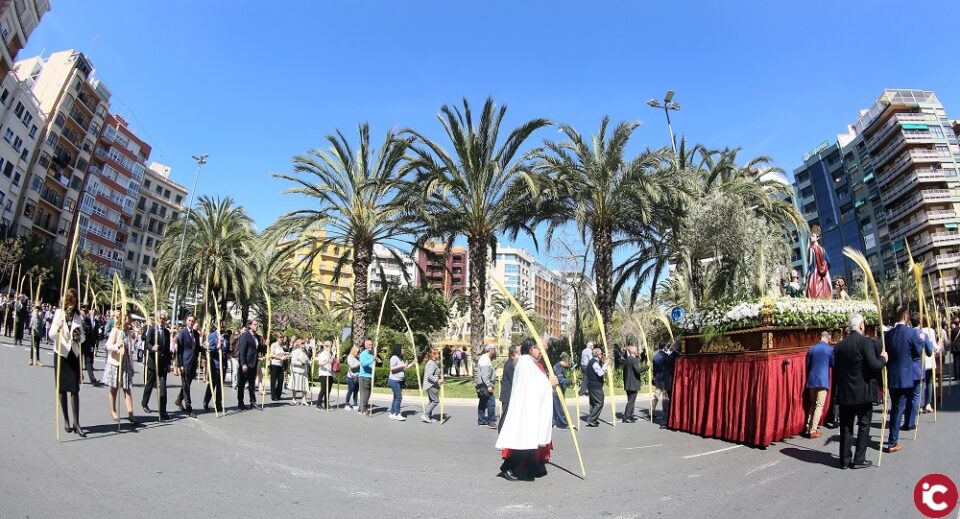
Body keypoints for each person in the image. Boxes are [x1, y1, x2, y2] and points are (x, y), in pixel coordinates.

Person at [495, 338, 560, 482]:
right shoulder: (526, 363)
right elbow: (533, 386)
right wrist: (549, 383)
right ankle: (507, 468)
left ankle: (532, 469)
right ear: (532, 349)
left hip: (530, 409)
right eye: (540, 349)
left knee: (530, 443)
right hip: (526, 410)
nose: (542, 353)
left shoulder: (529, 363)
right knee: (526, 442)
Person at [834, 313, 887, 469]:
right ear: (861, 326)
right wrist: (883, 359)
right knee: (864, 425)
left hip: (845, 393)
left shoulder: (839, 346)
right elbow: (874, 365)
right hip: (863, 392)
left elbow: (837, 371)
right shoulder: (865, 342)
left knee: (846, 427)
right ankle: (859, 459)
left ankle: (844, 460)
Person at [884, 307, 932, 453]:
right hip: (905, 376)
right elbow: (917, 353)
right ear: (906, 317)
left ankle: (893, 438)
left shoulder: (888, 334)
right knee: (899, 408)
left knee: (896, 408)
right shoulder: (911, 333)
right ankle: (892, 442)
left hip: (893, 376)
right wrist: (921, 340)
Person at [52, 289, 86, 437]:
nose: (72, 302)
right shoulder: (59, 314)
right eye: (70, 300)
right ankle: (66, 419)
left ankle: (76, 422)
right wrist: (58, 328)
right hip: (61, 353)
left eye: (74, 300)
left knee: (74, 389)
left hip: (73, 354)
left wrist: (79, 337)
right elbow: (51, 335)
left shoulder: (78, 316)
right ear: (66, 300)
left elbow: (83, 337)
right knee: (61, 389)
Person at [104, 311, 139, 427]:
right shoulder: (116, 330)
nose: (131, 320)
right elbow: (108, 345)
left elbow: (130, 350)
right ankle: (113, 410)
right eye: (129, 318)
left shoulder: (128, 332)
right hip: (116, 363)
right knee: (114, 388)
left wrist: (132, 366)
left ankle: (130, 413)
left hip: (126, 363)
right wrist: (117, 346)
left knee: (127, 388)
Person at [141, 311, 172, 420]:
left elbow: (168, 349)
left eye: (164, 319)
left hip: (163, 364)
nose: (162, 320)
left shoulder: (167, 332)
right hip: (153, 362)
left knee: (163, 389)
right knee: (149, 384)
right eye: (161, 318)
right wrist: (152, 348)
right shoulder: (152, 329)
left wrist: (169, 363)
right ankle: (144, 403)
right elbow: (147, 343)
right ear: (158, 319)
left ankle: (163, 411)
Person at [803, 331, 834, 439]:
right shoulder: (829, 349)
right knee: (819, 405)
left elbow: (808, 364)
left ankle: (808, 427)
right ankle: (813, 430)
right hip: (822, 380)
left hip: (812, 379)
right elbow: (832, 363)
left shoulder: (812, 349)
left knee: (812, 403)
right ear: (827, 337)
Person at [174, 314, 201, 417]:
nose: (191, 322)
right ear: (186, 321)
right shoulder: (182, 333)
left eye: (192, 321)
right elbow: (179, 350)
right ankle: (189, 408)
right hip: (185, 363)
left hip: (193, 363)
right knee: (186, 386)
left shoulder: (196, 334)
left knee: (187, 384)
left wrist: (205, 348)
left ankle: (178, 400)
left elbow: (197, 348)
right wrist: (180, 365)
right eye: (189, 320)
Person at [203, 323, 229, 413]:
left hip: (223, 364)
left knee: (220, 386)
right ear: (217, 325)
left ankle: (218, 404)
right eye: (221, 325)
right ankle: (206, 401)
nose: (223, 327)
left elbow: (227, 349)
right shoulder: (212, 335)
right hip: (215, 364)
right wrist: (217, 346)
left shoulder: (226, 337)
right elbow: (209, 348)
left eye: (224, 325)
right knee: (212, 384)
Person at [236, 320, 261, 410]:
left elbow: (259, 349)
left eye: (257, 325)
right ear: (250, 325)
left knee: (252, 384)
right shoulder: (245, 336)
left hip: (253, 363)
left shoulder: (257, 337)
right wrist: (243, 364)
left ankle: (253, 401)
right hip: (246, 363)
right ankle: (240, 402)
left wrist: (266, 344)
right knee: (241, 384)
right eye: (255, 324)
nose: (257, 326)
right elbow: (242, 351)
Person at [652, 342, 676, 427]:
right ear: (665, 347)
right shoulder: (666, 356)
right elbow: (668, 367)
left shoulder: (655, 356)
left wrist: (654, 377)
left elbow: (654, 369)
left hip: (658, 378)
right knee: (665, 398)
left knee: (656, 395)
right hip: (665, 378)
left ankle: (652, 411)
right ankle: (664, 416)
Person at [584, 347, 610, 427]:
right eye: (601, 353)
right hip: (595, 386)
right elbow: (600, 373)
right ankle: (591, 419)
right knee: (599, 402)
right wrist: (606, 364)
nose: (602, 355)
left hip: (592, 385)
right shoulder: (594, 363)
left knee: (593, 403)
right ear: (598, 354)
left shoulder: (593, 362)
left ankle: (593, 419)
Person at [622, 345, 646, 424]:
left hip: (628, 383)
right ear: (633, 351)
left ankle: (630, 415)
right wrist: (647, 367)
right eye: (636, 350)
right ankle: (626, 417)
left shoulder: (626, 360)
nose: (637, 351)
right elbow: (638, 370)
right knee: (631, 401)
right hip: (633, 384)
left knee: (630, 400)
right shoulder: (633, 360)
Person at [475, 344, 498, 429]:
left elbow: (486, 372)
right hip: (485, 385)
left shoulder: (485, 359)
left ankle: (481, 420)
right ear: (491, 350)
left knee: (483, 402)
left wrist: (494, 368)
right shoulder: (485, 359)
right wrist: (489, 385)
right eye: (494, 349)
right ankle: (491, 421)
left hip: (482, 385)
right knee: (491, 403)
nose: (495, 351)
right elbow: (485, 375)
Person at [806, 227, 832, 299]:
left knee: (813, 291)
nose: (811, 237)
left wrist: (821, 269)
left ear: (818, 237)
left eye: (812, 235)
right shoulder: (814, 249)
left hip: (815, 274)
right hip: (819, 274)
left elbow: (828, 262)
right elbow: (828, 263)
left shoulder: (816, 249)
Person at [388, 344, 413, 421]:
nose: (403, 349)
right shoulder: (394, 357)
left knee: (396, 397)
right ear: (398, 349)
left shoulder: (400, 358)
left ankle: (392, 413)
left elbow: (405, 368)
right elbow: (392, 368)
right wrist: (402, 365)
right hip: (394, 380)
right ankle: (397, 414)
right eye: (402, 348)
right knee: (399, 397)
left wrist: (413, 362)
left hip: (399, 381)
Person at [80, 305, 102, 386]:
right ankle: (79, 376)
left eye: (86, 311)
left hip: (88, 344)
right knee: (78, 362)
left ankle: (93, 380)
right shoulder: (78, 320)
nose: (85, 313)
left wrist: (92, 345)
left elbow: (91, 333)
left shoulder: (89, 320)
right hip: (79, 344)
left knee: (89, 362)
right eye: (83, 311)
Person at [498, 345, 519, 432]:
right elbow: (514, 380)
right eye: (519, 353)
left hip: (508, 395)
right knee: (505, 418)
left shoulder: (511, 363)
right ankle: (501, 434)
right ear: (513, 354)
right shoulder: (511, 365)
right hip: (508, 396)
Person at [421, 348, 443, 423]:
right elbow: (429, 376)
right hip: (431, 385)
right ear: (433, 355)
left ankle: (429, 417)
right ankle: (425, 414)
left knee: (431, 401)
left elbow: (434, 373)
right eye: (437, 354)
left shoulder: (433, 362)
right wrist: (438, 380)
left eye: (439, 353)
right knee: (435, 401)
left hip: (432, 385)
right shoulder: (432, 363)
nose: (439, 355)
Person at [552, 353, 572, 429]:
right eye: (568, 364)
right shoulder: (558, 368)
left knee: (556, 408)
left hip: (558, 390)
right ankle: (563, 423)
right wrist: (571, 381)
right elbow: (561, 380)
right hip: (557, 390)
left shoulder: (560, 367)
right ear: (565, 362)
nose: (568, 366)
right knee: (560, 408)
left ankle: (554, 423)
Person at [288, 339, 310, 406]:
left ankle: (304, 400)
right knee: (295, 385)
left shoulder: (304, 352)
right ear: (298, 344)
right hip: (297, 371)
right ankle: (294, 399)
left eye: (304, 343)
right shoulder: (295, 352)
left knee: (305, 386)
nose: (304, 344)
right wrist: (301, 363)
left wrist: (306, 361)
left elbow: (307, 360)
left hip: (304, 371)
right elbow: (293, 362)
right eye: (302, 343)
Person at [358, 338, 375, 416]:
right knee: (365, 394)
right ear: (365, 345)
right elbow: (364, 364)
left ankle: (360, 408)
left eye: (372, 344)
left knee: (368, 394)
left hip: (370, 376)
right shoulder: (363, 354)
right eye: (369, 344)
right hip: (363, 376)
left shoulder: (371, 354)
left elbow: (371, 365)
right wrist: (372, 359)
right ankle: (364, 410)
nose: (371, 346)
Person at [269, 336, 287, 402]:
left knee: (281, 380)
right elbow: (271, 355)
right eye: (280, 337)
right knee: (273, 380)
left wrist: (285, 355)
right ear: (277, 338)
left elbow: (281, 354)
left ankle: (278, 395)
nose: (282, 339)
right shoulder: (274, 345)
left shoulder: (281, 347)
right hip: (274, 364)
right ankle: (273, 396)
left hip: (280, 365)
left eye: (282, 337)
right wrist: (280, 358)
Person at [315, 341, 333, 409]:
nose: (330, 347)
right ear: (325, 346)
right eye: (329, 346)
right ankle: (318, 404)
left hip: (330, 373)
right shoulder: (322, 354)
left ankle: (326, 404)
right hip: (324, 373)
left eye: (331, 346)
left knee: (328, 390)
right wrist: (327, 361)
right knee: (323, 389)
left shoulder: (330, 354)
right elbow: (320, 363)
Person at [344, 346, 361, 410]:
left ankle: (355, 404)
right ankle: (347, 404)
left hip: (357, 376)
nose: (358, 353)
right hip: (351, 377)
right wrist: (360, 363)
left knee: (356, 391)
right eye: (357, 352)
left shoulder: (357, 357)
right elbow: (352, 366)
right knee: (350, 390)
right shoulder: (349, 357)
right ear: (354, 351)